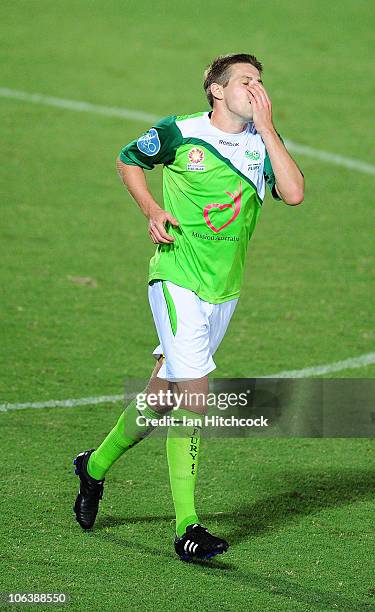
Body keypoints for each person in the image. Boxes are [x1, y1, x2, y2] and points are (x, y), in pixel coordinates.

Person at [72, 53, 304, 562]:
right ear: (218, 91)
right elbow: (129, 159)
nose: (255, 88)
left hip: (223, 290)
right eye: (245, 80)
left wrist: (268, 130)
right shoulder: (181, 132)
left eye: (260, 81)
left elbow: (293, 192)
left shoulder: (263, 146)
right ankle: (187, 528)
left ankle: (92, 466)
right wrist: (152, 209)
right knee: (195, 392)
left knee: (161, 398)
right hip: (175, 278)